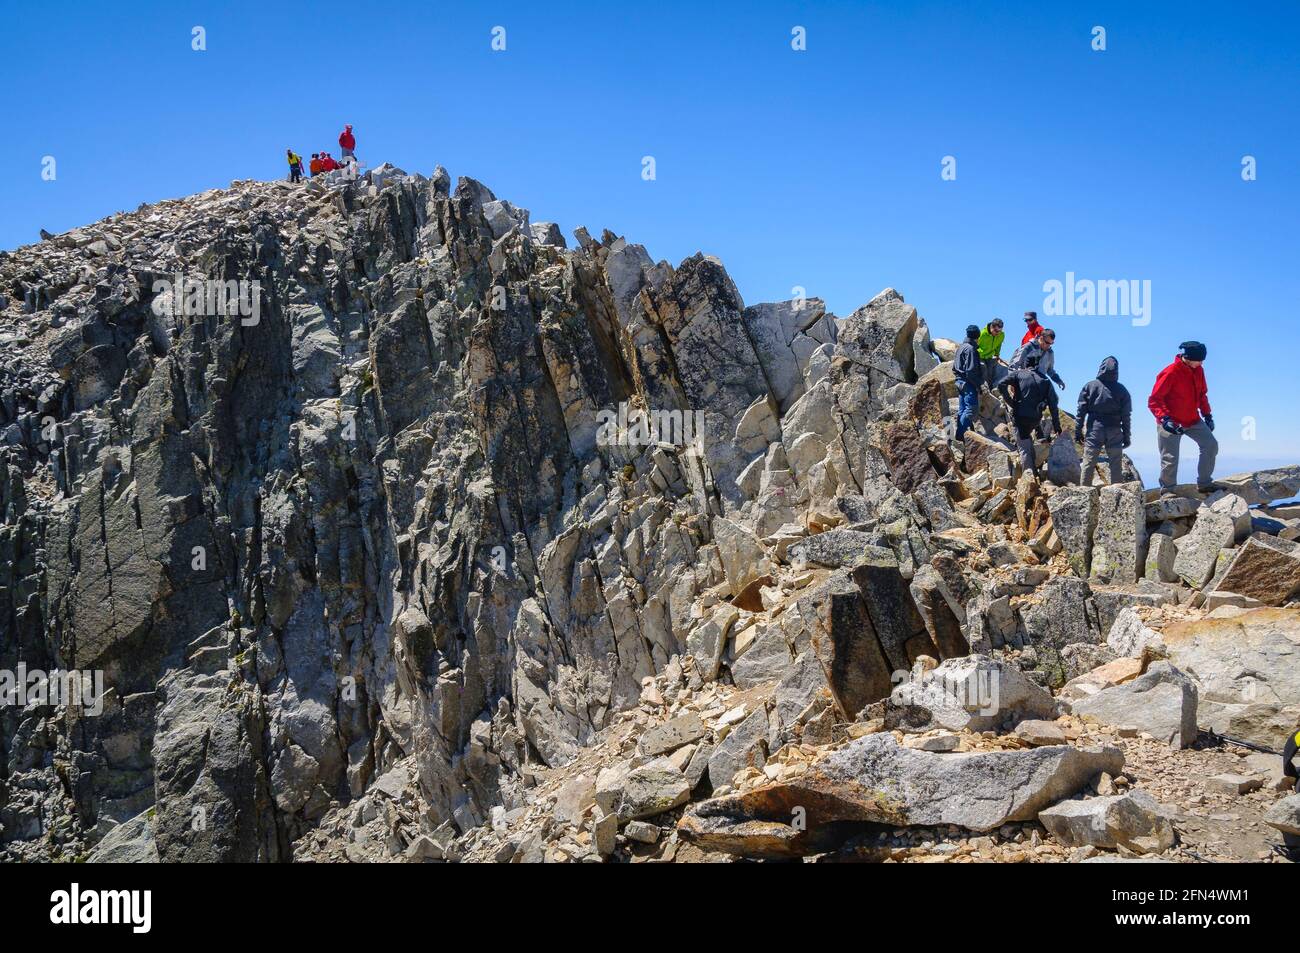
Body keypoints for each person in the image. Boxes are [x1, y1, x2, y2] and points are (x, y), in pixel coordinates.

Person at [1149, 340, 1217, 493]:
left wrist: (1207, 415)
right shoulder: (1170, 372)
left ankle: (1205, 484)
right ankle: (1168, 492)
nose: (1201, 363)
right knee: (1170, 458)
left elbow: (1202, 394)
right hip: (1170, 421)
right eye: (1198, 360)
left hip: (1193, 419)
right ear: (1187, 357)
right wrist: (1165, 420)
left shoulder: (1199, 370)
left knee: (1211, 445)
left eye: (1202, 360)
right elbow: (1154, 400)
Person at [998, 354, 1060, 478]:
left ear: (1025, 364)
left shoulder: (1018, 374)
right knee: (1028, 442)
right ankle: (1035, 472)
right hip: (1035, 419)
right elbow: (1053, 404)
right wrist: (1057, 426)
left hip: (1020, 417)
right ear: (1037, 365)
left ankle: (1029, 478)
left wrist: (1010, 401)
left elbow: (1001, 384)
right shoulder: (1045, 380)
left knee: (1024, 447)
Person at [1075, 356, 1132, 485]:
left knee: (1088, 463)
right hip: (1115, 430)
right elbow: (1126, 416)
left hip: (1095, 429)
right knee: (1115, 466)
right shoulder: (1122, 390)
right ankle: (1116, 497)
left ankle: (1084, 494)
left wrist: (1078, 432)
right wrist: (1126, 436)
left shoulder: (1090, 386)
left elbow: (1081, 412)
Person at [953, 324, 984, 440]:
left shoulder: (961, 347)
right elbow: (970, 371)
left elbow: (954, 367)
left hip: (959, 382)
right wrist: (978, 385)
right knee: (971, 409)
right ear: (977, 337)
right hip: (968, 383)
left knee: (962, 410)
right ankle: (960, 435)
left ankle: (959, 435)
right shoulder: (970, 349)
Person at [977, 318, 1006, 389]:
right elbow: (975, 346)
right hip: (980, 356)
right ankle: (983, 388)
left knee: (990, 372)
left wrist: (997, 354)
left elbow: (999, 345)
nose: (998, 333)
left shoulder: (1001, 335)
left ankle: (990, 389)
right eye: (996, 331)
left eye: (1000, 331)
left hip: (990, 356)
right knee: (983, 369)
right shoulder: (982, 334)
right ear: (991, 327)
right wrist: (979, 353)